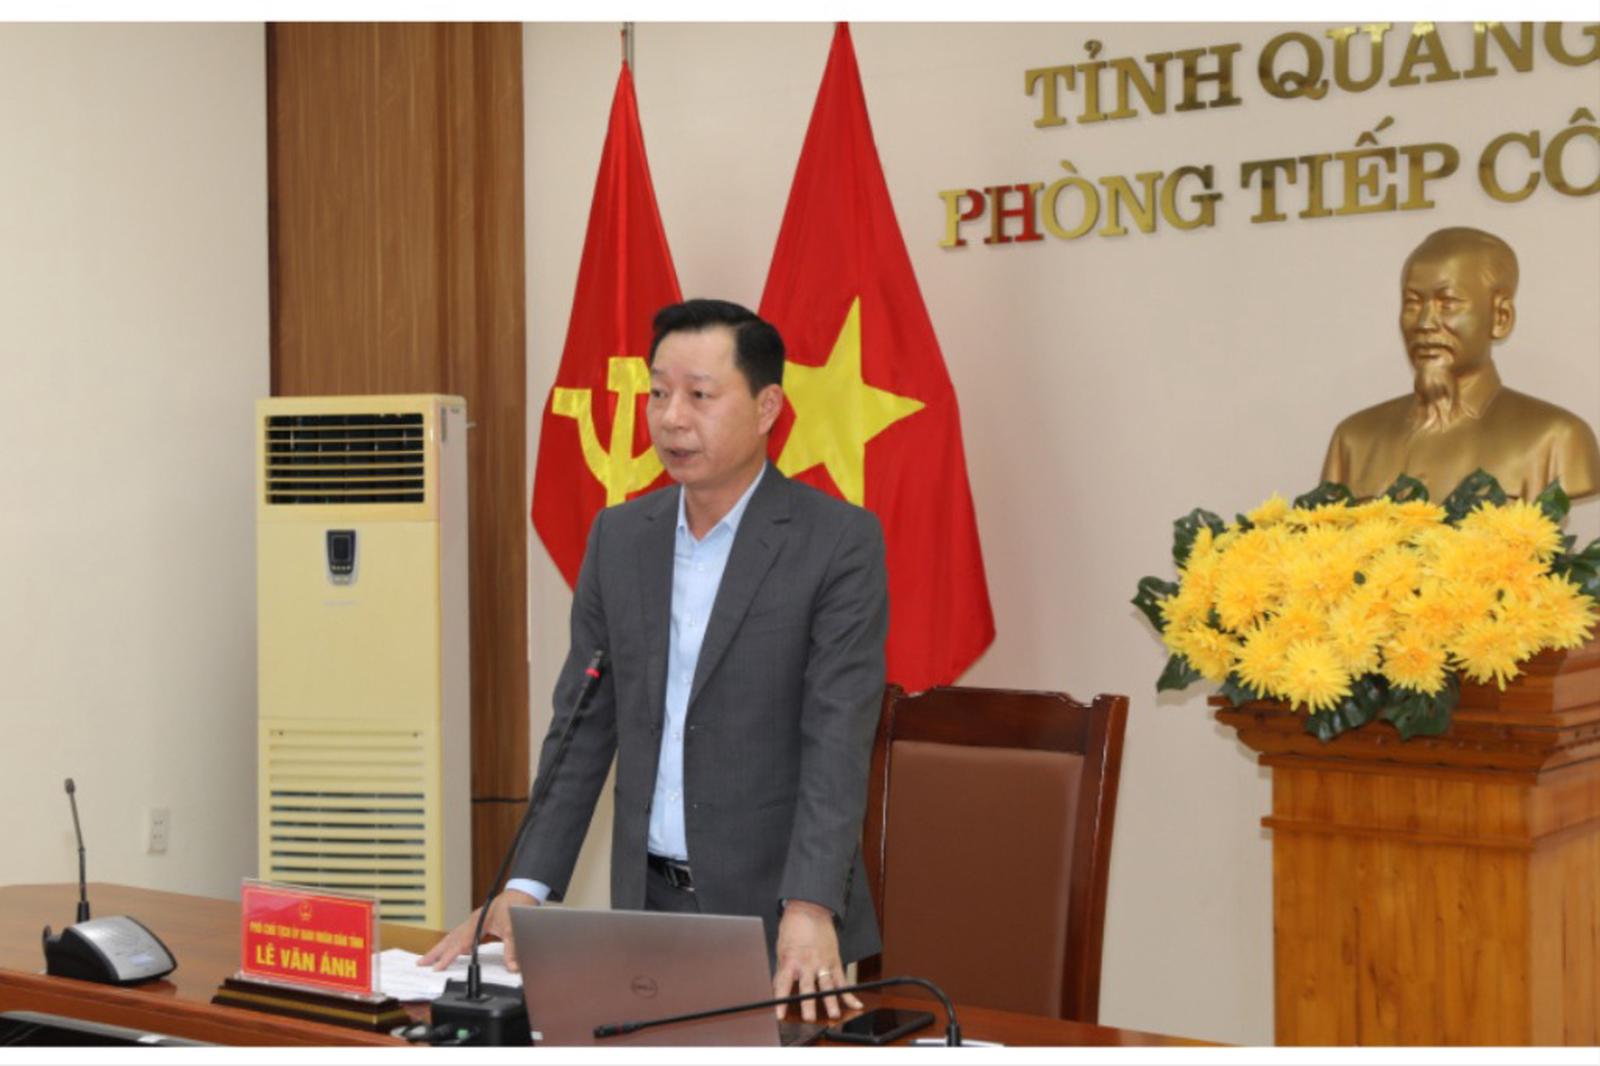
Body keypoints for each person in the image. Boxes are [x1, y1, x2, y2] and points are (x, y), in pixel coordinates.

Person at [420, 298, 887, 1023]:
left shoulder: (835, 541)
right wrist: (525, 887)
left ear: (767, 407)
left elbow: (838, 738)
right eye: (659, 393)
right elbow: (581, 727)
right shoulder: (620, 537)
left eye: (700, 395)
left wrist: (810, 903)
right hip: (644, 908)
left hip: (777, 917)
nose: (671, 419)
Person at [1321, 226, 1600, 501]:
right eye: (1412, 303)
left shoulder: (1556, 438)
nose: (1424, 323)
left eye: (1448, 303)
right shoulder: (1355, 440)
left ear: (1500, 317)